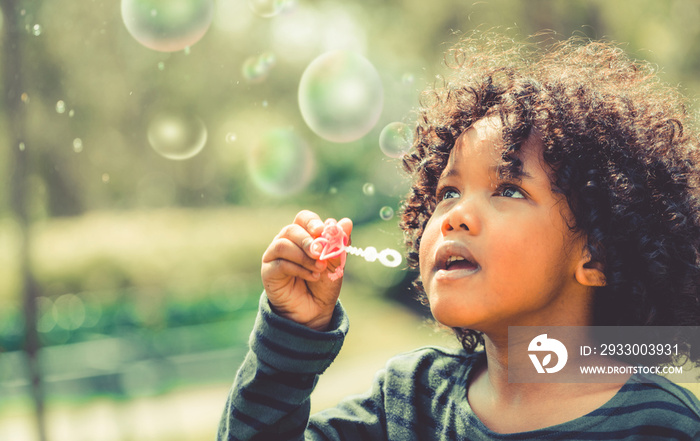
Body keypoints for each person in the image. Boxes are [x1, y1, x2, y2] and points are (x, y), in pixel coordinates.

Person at [218, 33, 700, 440]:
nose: (455, 216)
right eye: (447, 191)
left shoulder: (660, 425)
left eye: (508, 189)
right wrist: (291, 333)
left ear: (599, 254)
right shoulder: (407, 403)